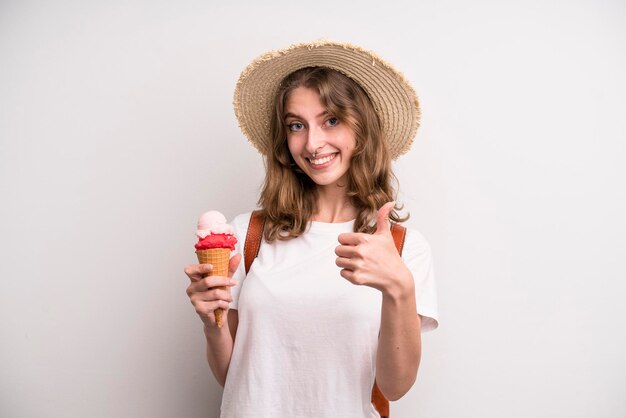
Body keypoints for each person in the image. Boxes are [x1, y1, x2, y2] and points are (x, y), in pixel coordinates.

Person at [184, 40, 439, 418]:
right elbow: (235, 378)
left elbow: (395, 386)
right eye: (296, 125)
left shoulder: (402, 248)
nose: (313, 143)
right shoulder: (248, 236)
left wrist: (398, 287)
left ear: (362, 128)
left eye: (331, 120)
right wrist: (211, 323)